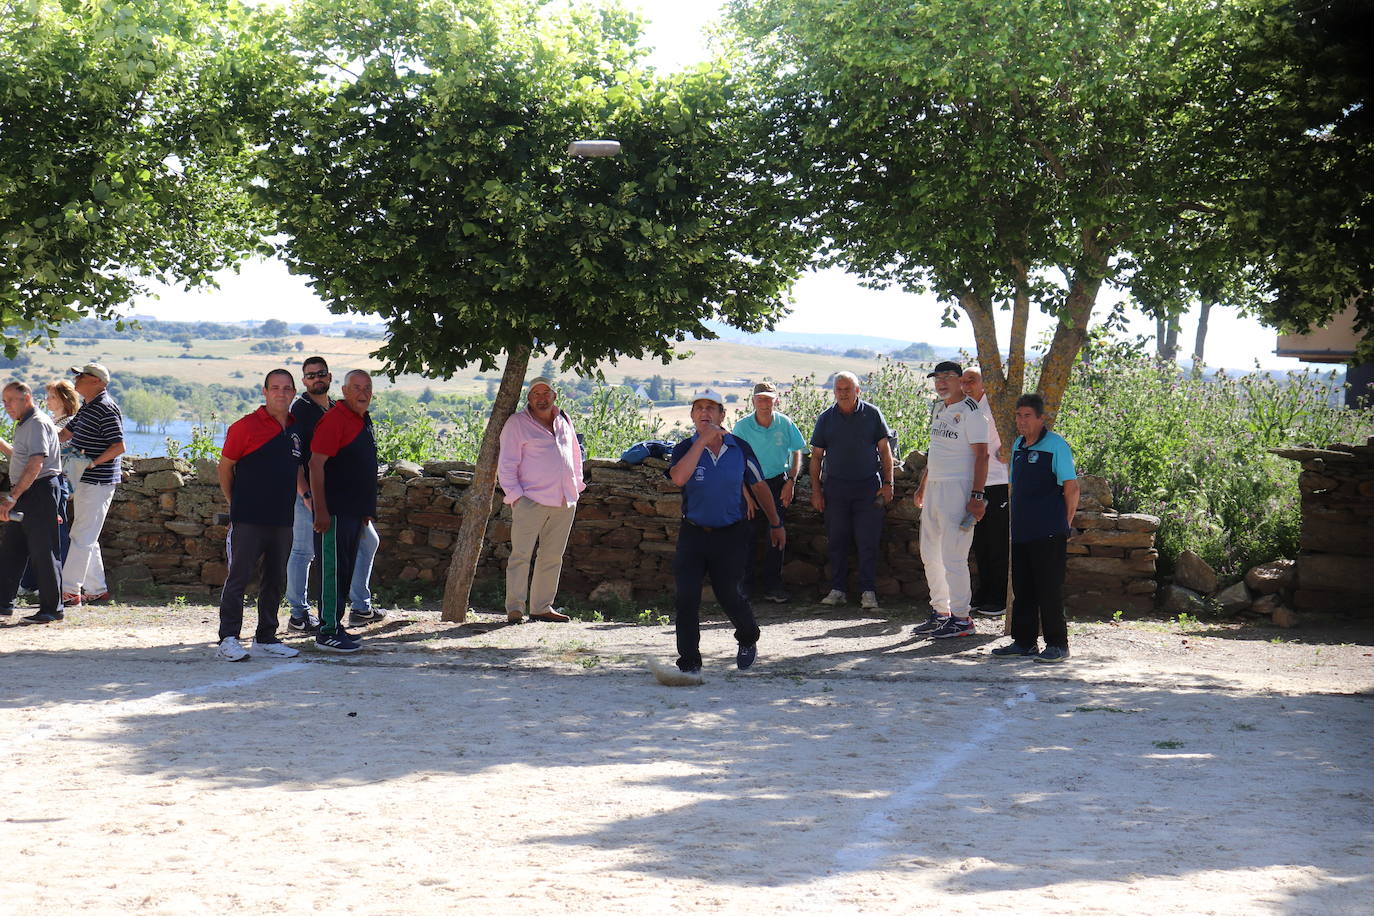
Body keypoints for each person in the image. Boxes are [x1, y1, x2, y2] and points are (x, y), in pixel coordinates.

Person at [667, 389, 783, 674]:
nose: (704, 413)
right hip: (693, 532)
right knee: (686, 597)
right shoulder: (684, 448)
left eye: (711, 408)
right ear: (692, 416)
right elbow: (679, 477)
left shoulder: (739, 447)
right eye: (698, 408)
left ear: (722, 414)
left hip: (731, 533)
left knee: (729, 593)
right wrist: (702, 442)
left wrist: (775, 522)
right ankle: (690, 661)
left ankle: (748, 637)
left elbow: (758, 486)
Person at [285, 356, 382, 632]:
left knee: (368, 541)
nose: (317, 378)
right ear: (304, 381)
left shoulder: (338, 409)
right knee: (304, 551)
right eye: (311, 375)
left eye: (321, 374)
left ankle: (360, 606)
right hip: (309, 492)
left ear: (330, 378)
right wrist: (308, 498)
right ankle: (298, 614)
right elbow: (299, 459)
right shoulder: (301, 411)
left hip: (339, 497)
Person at [214, 370, 304, 662]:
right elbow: (225, 468)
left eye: (287, 388)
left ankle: (266, 637)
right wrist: (236, 505)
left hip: (282, 520)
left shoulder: (294, 429)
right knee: (239, 577)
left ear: (293, 393)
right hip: (248, 519)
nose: (281, 393)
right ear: (264, 392)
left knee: (275, 580)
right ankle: (228, 638)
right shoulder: (245, 427)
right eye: (275, 388)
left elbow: (298, 470)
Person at [992, 393, 1080, 663]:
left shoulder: (1056, 445)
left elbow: (1071, 488)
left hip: (1049, 531)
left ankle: (1057, 645)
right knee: (1023, 588)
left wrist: (1064, 523)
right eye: (1019, 415)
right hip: (1021, 532)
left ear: (1041, 418)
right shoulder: (1018, 445)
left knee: (1049, 589)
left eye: (1027, 415)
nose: (1021, 421)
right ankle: (1024, 642)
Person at [498, 376, 585, 624]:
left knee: (552, 556)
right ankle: (515, 609)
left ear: (554, 396)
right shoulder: (517, 424)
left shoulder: (564, 420)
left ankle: (541, 607)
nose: (541, 398)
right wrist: (516, 497)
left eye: (546, 392)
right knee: (520, 555)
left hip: (564, 500)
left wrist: (576, 487)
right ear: (529, 398)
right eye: (536, 394)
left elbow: (575, 455)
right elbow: (506, 464)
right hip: (530, 500)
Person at [913, 361, 989, 639]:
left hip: (959, 488)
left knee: (953, 555)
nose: (941, 382)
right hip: (934, 487)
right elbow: (936, 451)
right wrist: (923, 486)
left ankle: (961, 618)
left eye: (947, 377)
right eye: (937, 378)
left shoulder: (973, 412)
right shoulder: (939, 408)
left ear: (960, 381)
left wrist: (977, 496)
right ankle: (940, 613)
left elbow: (982, 455)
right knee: (929, 553)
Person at [808, 371, 894, 610]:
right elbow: (816, 457)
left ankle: (868, 591)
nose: (843, 393)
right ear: (834, 392)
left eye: (848, 389)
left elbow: (885, 451)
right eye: (839, 389)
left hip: (868, 487)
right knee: (837, 540)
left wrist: (889, 484)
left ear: (858, 391)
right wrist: (816, 491)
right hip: (836, 488)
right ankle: (838, 589)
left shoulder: (873, 414)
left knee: (868, 541)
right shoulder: (826, 418)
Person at [308, 370, 378, 653]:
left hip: (352, 511)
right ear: (345, 391)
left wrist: (364, 509)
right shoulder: (335, 419)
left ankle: (335, 626)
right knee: (332, 571)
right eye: (357, 387)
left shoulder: (361, 418)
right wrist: (321, 511)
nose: (363, 393)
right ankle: (326, 632)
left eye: (367, 388)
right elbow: (315, 465)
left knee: (344, 570)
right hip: (334, 512)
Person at [731, 381, 805, 603]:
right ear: (753, 401)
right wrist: (745, 495)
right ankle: (744, 586)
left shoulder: (785, 423)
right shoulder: (742, 427)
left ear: (776, 400)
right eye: (760, 398)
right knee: (747, 535)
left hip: (776, 483)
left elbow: (796, 451)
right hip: (749, 485)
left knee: (776, 533)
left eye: (768, 398)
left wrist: (791, 481)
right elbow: (734, 463)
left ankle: (774, 586)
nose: (764, 402)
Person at [59, 363, 125, 606]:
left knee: (81, 535)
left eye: (82, 376)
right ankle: (97, 589)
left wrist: (93, 463)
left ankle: (69, 591)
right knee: (87, 535)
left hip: (98, 481)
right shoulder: (89, 406)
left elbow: (119, 446)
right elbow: (66, 433)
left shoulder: (106, 408)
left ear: (98, 381)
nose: (76, 379)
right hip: (88, 480)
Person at [0, 382, 65, 624]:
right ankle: (3, 604)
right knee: (12, 550)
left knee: (43, 550)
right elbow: (21, 456)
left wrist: (11, 497)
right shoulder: (25, 424)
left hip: (39, 491)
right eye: (3, 401)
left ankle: (52, 609)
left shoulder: (37, 422)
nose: (6, 405)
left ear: (26, 398)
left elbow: (36, 463)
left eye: (10, 400)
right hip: (28, 491)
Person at [17, 381, 78, 594]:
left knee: (56, 534)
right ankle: (30, 583)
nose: (47, 400)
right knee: (39, 533)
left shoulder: (68, 423)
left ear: (64, 399)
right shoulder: (53, 421)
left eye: (52, 396)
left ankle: (54, 585)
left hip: (56, 483)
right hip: (47, 482)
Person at [961, 368, 1011, 617]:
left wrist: (1009, 448)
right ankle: (984, 592)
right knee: (979, 542)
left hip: (999, 481)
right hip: (974, 483)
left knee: (997, 542)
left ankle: (999, 597)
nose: (967, 385)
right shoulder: (965, 407)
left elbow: (1018, 434)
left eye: (972, 380)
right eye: (964, 381)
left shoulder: (998, 408)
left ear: (984, 383)